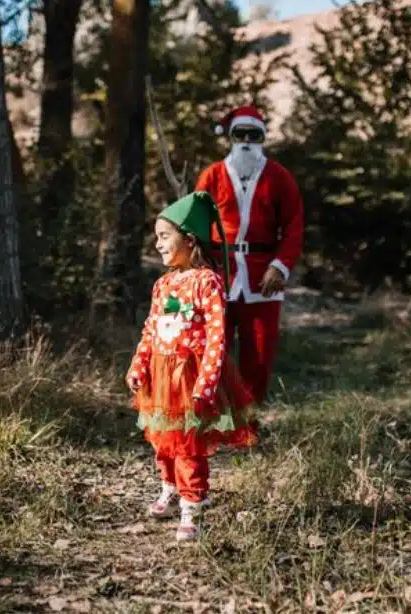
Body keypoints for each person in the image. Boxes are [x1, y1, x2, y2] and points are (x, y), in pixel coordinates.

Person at [126, 191, 259, 542]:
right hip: (160, 374)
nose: (157, 244)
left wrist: (207, 381)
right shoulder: (163, 284)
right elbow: (152, 329)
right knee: (161, 438)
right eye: (156, 237)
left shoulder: (207, 282)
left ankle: (192, 504)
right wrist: (139, 363)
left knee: (188, 443)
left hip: (190, 376)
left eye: (164, 236)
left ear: (189, 239)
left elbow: (217, 336)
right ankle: (169, 488)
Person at [195, 105, 304, 405]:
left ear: (262, 138)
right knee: (213, 347)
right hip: (219, 274)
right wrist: (199, 267)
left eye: (253, 135)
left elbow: (293, 227)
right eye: (239, 134)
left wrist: (280, 267)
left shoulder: (278, 177)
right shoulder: (212, 176)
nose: (245, 141)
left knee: (259, 351)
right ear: (230, 138)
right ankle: (214, 414)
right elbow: (196, 224)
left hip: (262, 275)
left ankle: (247, 417)